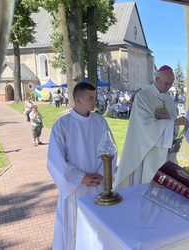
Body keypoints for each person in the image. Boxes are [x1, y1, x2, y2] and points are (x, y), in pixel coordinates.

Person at [47, 82, 116, 249]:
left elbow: (111, 149)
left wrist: (102, 173)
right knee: (75, 230)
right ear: (78, 100)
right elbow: (54, 160)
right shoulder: (62, 125)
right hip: (75, 189)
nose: (95, 101)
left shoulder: (100, 122)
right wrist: (81, 178)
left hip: (98, 186)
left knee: (98, 231)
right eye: (90, 98)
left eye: (95, 97)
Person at [114, 65, 189, 189]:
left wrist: (173, 124)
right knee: (147, 184)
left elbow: (173, 125)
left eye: (171, 84)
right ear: (157, 79)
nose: (168, 87)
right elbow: (145, 125)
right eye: (166, 83)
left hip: (165, 152)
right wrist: (172, 123)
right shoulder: (143, 97)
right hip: (148, 150)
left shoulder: (169, 99)